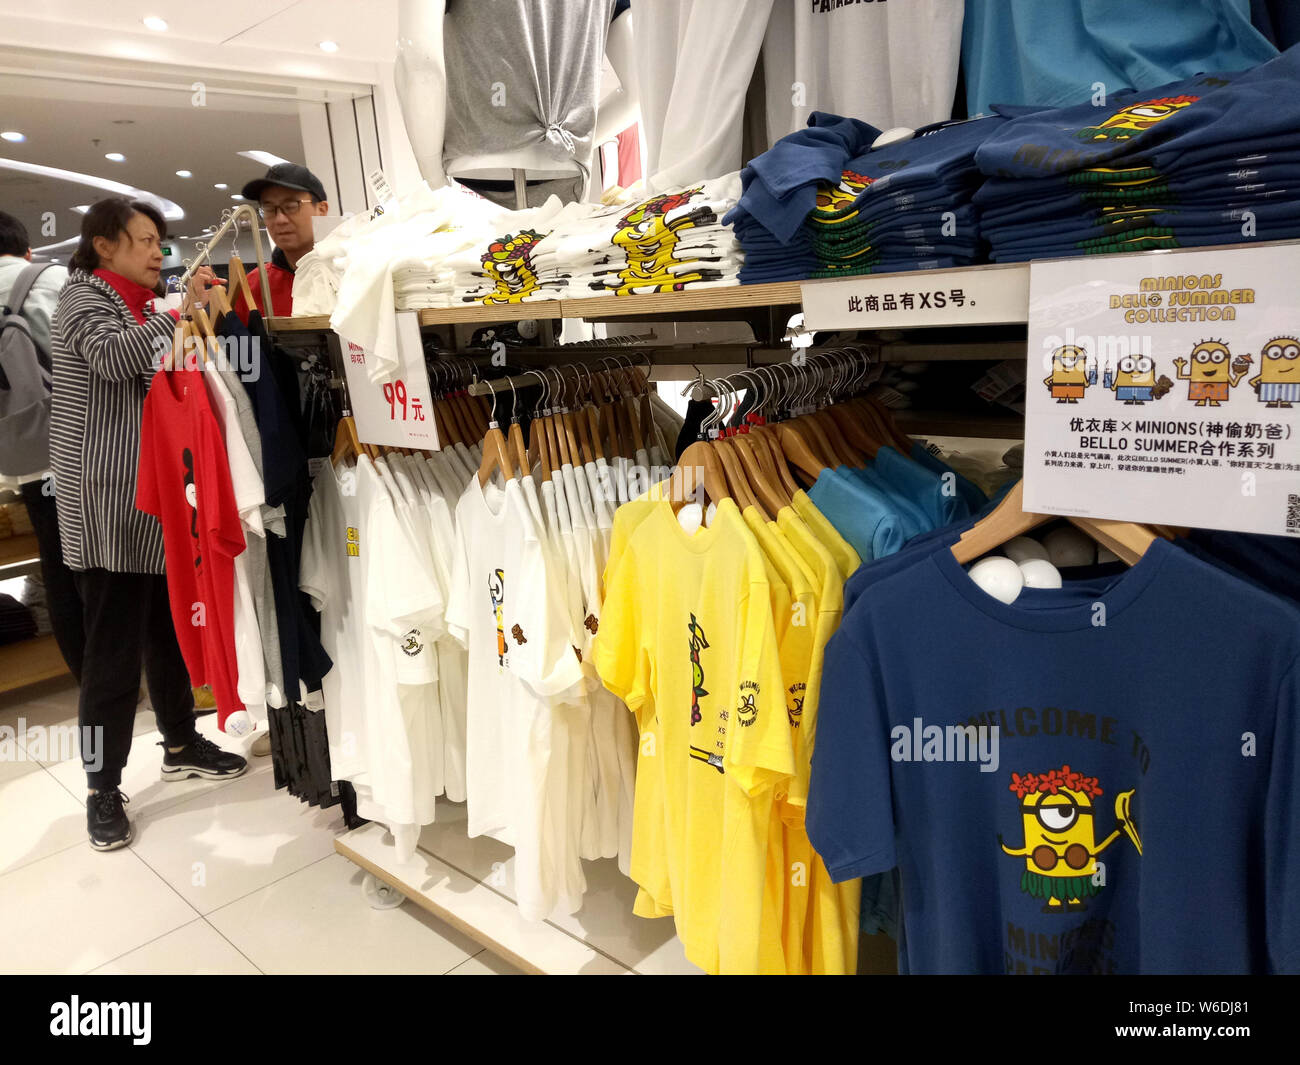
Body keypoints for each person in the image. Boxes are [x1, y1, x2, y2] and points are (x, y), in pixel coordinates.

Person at [50, 196, 247, 852]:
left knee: (170, 626)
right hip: (108, 507)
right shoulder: (84, 300)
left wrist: (184, 310)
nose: (157, 253)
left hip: (157, 497)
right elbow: (112, 359)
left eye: (160, 242)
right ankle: (101, 788)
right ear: (104, 245)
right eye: (144, 242)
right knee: (112, 655)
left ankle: (182, 740)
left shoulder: (137, 300)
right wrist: (176, 310)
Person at [0, 211, 84, 679]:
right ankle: (135, 671)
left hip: (20, 456)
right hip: (80, 447)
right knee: (109, 564)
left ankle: (90, 677)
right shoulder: (50, 278)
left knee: (57, 568)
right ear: (25, 247)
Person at [234, 163, 330, 320]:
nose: (280, 219)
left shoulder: (356, 273)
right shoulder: (253, 287)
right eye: (269, 209)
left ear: (321, 210)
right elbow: (238, 344)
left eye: (291, 206)